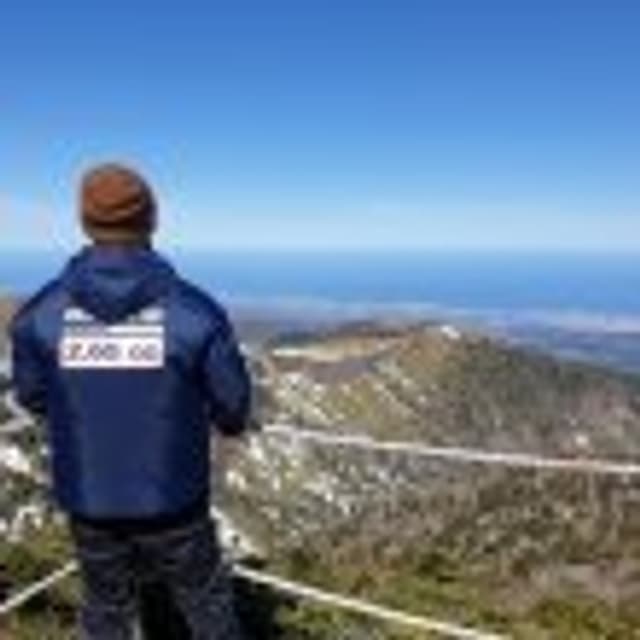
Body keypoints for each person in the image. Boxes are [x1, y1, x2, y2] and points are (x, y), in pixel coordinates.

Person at [9, 164, 252, 639]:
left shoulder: (41, 313)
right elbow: (233, 406)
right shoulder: (195, 311)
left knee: (106, 608)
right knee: (206, 606)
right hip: (175, 498)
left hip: (89, 498)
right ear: (152, 219)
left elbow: (32, 395)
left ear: (84, 221)